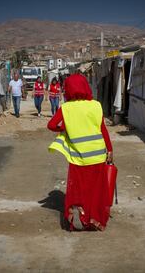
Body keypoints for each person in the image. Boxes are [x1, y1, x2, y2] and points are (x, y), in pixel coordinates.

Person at [47, 74, 114, 231]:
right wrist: (109, 149)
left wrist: (65, 128)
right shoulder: (96, 105)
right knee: (95, 188)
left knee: (79, 187)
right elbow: (102, 129)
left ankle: (79, 213)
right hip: (97, 155)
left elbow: (51, 125)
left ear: (68, 89)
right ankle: (94, 218)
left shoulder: (66, 108)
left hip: (78, 157)